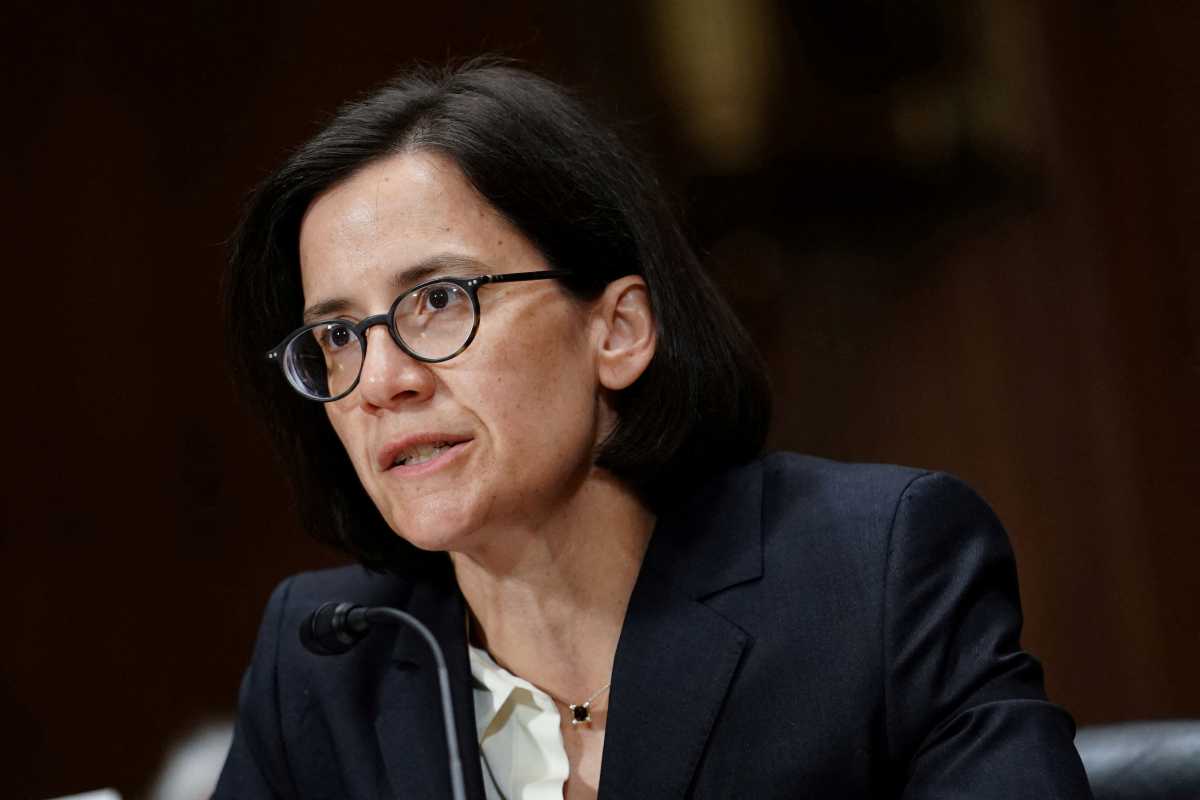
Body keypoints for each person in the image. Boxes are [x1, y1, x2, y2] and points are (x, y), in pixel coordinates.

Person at [215, 61, 1093, 799]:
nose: (381, 380)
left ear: (619, 330)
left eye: (439, 301)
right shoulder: (329, 659)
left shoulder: (871, 571)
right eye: (337, 337)